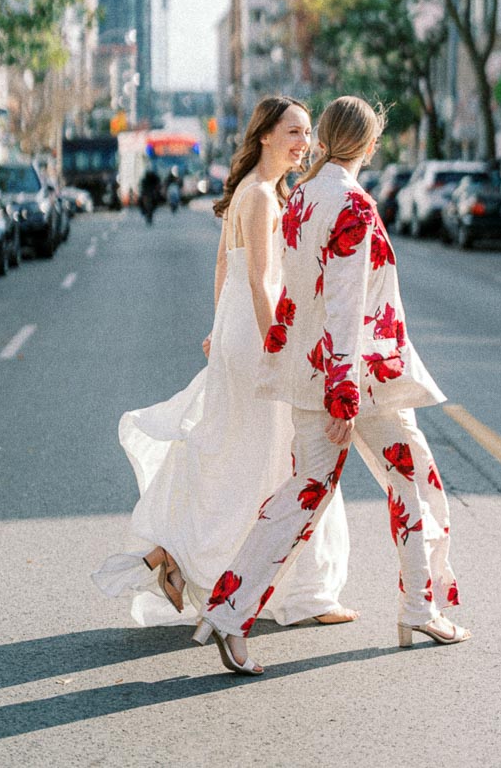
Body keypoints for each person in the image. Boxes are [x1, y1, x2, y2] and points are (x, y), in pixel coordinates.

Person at [192, 95, 470, 676]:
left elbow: (296, 294)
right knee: (412, 478)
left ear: (322, 139)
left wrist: (302, 370)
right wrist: (342, 394)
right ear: (370, 145)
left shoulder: (302, 199)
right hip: (357, 381)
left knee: (304, 493)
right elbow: (345, 306)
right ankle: (420, 605)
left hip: (316, 373)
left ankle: (228, 610)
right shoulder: (350, 204)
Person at [92, 96, 354, 629]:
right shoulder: (259, 196)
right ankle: (303, 591)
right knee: (282, 461)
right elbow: (260, 281)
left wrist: (220, 327)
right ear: (265, 136)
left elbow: (224, 268)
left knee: (239, 453)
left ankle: (176, 556)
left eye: (307, 134)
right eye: (295, 133)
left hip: (241, 330)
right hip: (259, 336)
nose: (305, 144)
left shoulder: (255, 193)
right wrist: (275, 349)